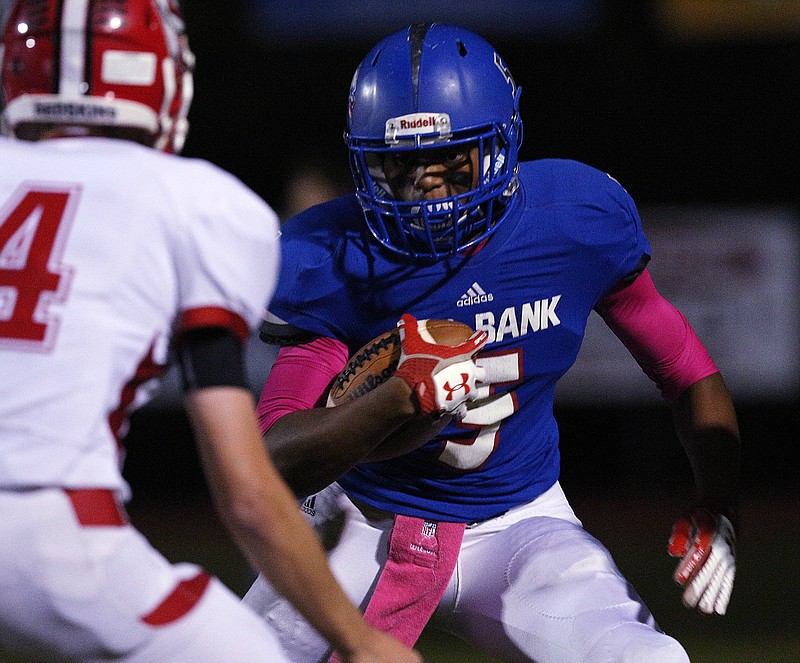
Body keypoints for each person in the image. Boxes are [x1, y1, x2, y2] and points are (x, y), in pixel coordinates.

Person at [241, 23, 742, 663]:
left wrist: (719, 501)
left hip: (521, 522)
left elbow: (685, 370)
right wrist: (395, 402)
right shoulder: (332, 258)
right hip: (364, 520)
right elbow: (271, 460)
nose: (426, 189)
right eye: (400, 165)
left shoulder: (574, 218)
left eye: (449, 161)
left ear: (501, 146)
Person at [0, 2, 421, 662]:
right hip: (45, 529)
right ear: (158, 74)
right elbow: (246, 489)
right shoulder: (197, 204)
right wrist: (359, 637)